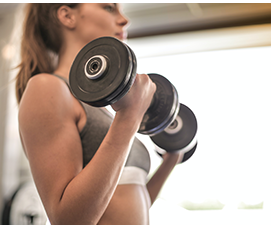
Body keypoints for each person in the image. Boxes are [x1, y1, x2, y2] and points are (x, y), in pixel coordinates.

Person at [16, 3, 183, 225]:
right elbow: (68, 221)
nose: (124, 20)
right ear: (67, 16)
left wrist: (170, 161)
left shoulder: (105, 108)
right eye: (109, 7)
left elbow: (126, 202)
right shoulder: (48, 88)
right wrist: (130, 116)